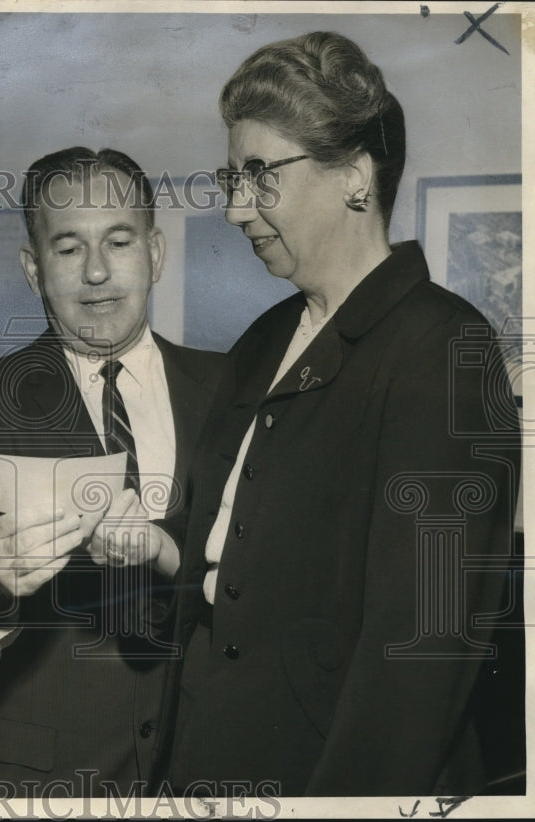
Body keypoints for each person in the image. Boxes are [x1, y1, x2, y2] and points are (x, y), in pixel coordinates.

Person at [156, 32, 521, 796]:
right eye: (230, 177)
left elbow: (425, 650)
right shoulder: (260, 344)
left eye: (260, 177)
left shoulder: (443, 346)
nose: (233, 208)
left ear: (355, 176)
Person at [0, 147, 222, 796]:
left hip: (211, 763)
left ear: (155, 253)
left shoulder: (232, 389)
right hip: (48, 779)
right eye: (69, 248)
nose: (99, 273)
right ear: (33, 268)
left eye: (119, 241)